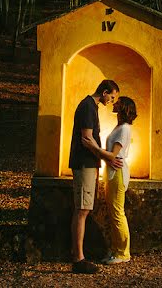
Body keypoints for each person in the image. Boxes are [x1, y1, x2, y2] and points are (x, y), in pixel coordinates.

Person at [69, 79, 121, 274]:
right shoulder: (88, 106)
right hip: (84, 163)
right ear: (105, 92)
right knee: (82, 209)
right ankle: (78, 259)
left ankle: (78, 255)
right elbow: (87, 139)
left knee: (83, 208)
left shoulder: (90, 106)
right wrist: (106, 157)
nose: (112, 101)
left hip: (88, 163)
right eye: (112, 96)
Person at [83, 95, 137, 264]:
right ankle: (116, 250)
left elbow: (114, 155)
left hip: (118, 174)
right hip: (113, 172)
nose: (115, 103)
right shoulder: (119, 127)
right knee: (114, 213)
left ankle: (123, 253)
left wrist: (94, 147)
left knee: (117, 213)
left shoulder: (124, 129)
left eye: (118, 102)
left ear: (124, 108)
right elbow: (112, 156)